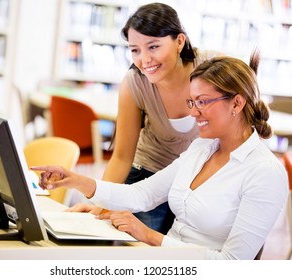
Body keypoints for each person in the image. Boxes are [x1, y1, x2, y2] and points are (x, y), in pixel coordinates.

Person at [32, 51, 288, 259]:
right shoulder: (201, 149)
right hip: (161, 261)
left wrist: (150, 236)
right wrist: (76, 180)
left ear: (237, 103)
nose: (193, 113)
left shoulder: (265, 173)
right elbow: (142, 194)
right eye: (192, 102)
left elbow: (231, 264)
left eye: (202, 102)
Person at [82, 2, 222, 234]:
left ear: (179, 41)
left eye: (153, 46)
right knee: (139, 254)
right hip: (148, 175)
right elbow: (122, 156)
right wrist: (100, 203)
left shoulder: (211, 67)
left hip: (196, 183)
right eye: (135, 49)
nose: (144, 59)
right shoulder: (134, 83)